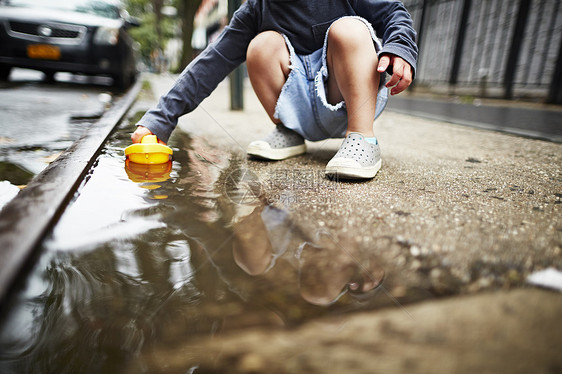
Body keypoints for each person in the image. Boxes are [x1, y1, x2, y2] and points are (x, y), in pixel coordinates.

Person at [132, 0, 418, 180]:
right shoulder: (257, 9)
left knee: (349, 30)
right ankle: (288, 131)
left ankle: (363, 140)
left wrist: (401, 48)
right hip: (298, 108)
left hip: (349, 99)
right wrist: (160, 119)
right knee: (260, 45)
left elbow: (394, 12)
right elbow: (211, 62)